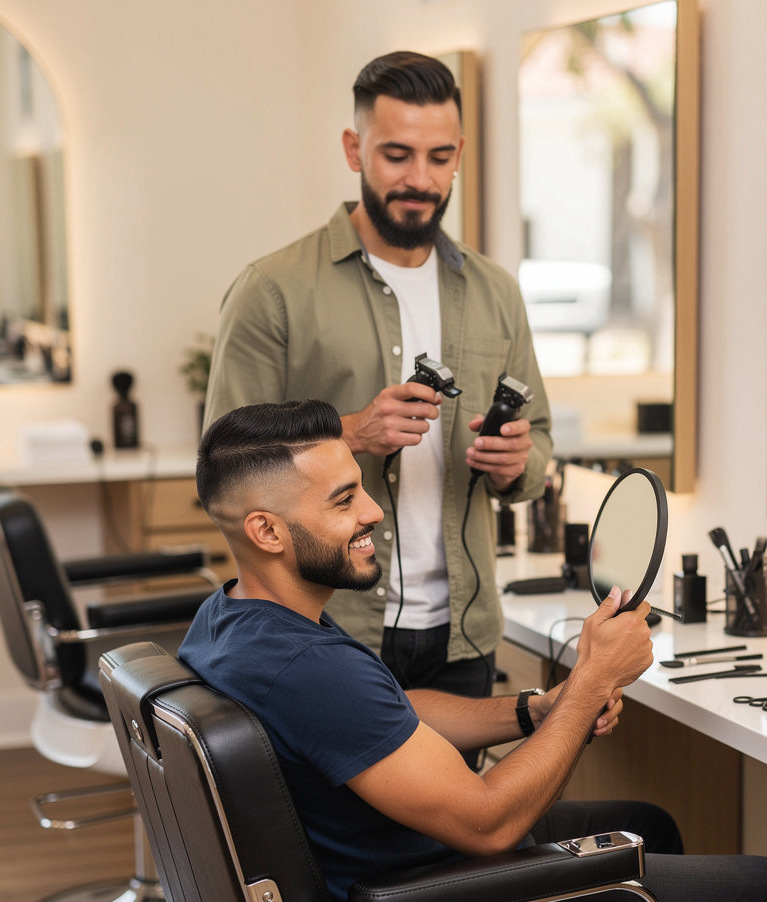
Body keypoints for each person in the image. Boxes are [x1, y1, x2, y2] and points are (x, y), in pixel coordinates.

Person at [178, 399, 767, 902]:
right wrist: (593, 677)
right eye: (344, 500)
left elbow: (389, 713)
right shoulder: (309, 670)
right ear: (266, 530)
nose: (374, 511)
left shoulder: (231, 620)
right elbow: (489, 825)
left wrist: (540, 709)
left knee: (644, 825)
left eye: (362, 487)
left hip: (384, 886)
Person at [203, 51, 552, 709]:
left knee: (460, 812)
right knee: (346, 818)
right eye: (396, 155)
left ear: (459, 155)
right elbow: (221, 468)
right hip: (325, 631)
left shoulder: (497, 294)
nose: (420, 178)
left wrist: (516, 462)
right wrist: (349, 432)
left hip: (463, 635)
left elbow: (539, 454)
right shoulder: (273, 290)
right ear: (353, 149)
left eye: (439, 156)